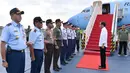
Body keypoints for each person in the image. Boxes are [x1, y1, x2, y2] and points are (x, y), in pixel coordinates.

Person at [1, 8, 27, 73]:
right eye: (18, 14)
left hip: (22, 54)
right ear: (12, 15)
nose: (20, 16)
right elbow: (2, 44)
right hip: (13, 55)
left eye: (21, 14)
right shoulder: (8, 27)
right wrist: (4, 60)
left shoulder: (22, 27)